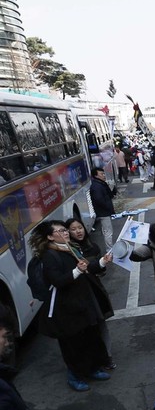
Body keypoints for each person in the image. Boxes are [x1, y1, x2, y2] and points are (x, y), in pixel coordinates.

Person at [30, 221, 114, 391]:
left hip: (82, 302)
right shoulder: (49, 255)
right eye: (60, 231)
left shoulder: (70, 248)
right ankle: (74, 376)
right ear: (49, 236)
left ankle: (92, 369)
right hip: (66, 308)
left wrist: (102, 262)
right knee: (73, 344)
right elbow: (58, 281)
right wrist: (77, 271)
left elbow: (87, 267)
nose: (66, 233)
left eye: (64, 230)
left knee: (90, 336)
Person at [66, 218, 116, 369]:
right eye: (73, 229)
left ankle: (107, 357)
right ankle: (93, 361)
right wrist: (97, 264)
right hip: (80, 295)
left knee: (101, 324)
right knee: (89, 328)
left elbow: (99, 271)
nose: (78, 231)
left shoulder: (92, 247)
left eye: (80, 227)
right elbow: (86, 269)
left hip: (95, 291)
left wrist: (102, 264)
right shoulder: (68, 251)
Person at [89, 167, 117, 249]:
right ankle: (110, 250)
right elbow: (99, 200)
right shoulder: (97, 186)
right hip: (103, 212)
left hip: (104, 212)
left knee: (107, 231)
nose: (104, 175)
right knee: (108, 232)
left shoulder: (100, 184)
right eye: (101, 174)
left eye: (104, 173)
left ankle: (110, 248)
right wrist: (107, 207)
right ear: (96, 176)